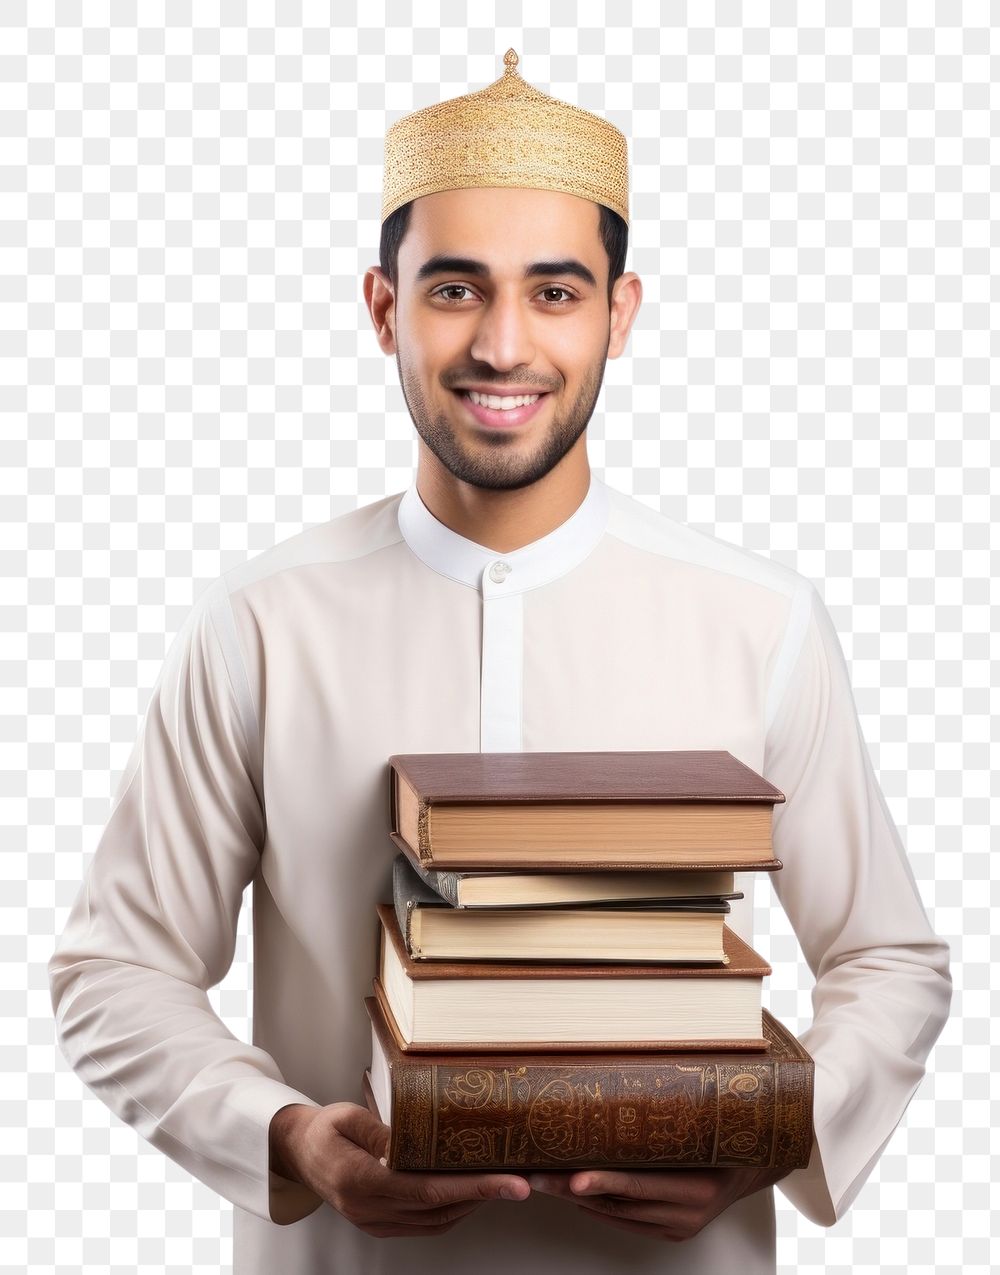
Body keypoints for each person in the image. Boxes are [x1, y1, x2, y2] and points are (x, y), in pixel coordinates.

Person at [49, 49, 951, 1275]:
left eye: (557, 293)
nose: (504, 346)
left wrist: (769, 1138)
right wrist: (292, 1139)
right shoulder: (259, 621)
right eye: (457, 290)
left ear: (620, 315)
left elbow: (887, 958)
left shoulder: (759, 615)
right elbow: (117, 971)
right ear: (384, 308)